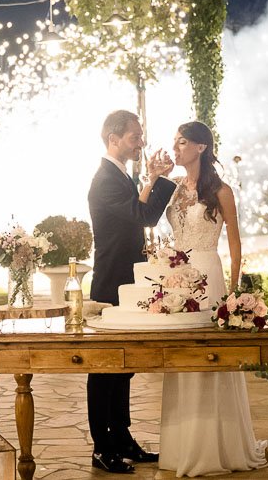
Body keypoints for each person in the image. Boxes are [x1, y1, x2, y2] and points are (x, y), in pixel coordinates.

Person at [159, 121, 268, 477]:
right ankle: (182, 448)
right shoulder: (174, 189)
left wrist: (234, 293)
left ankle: (216, 446)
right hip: (176, 277)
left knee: (210, 354)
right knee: (181, 357)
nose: (175, 148)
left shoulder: (221, 191)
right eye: (175, 142)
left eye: (182, 142)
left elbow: (235, 244)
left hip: (209, 275)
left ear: (201, 147)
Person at [87, 109, 177, 474]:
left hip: (127, 280)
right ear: (114, 139)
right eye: (134, 136)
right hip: (111, 281)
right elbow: (145, 217)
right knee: (104, 367)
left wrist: (152, 178)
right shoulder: (105, 180)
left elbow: (136, 209)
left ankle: (122, 438)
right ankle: (102, 446)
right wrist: (163, 181)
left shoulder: (121, 174)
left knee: (123, 365)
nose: (141, 142)